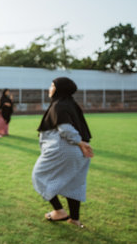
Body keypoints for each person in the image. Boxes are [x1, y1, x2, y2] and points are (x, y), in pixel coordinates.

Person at [32, 77, 94, 228]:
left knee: (39, 176)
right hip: (77, 151)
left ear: (59, 89)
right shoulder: (71, 103)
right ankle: (75, 219)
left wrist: (78, 141)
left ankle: (59, 211)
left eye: (52, 85)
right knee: (74, 184)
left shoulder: (59, 105)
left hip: (63, 148)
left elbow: (65, 128)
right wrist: (81, 143)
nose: (49, 88)